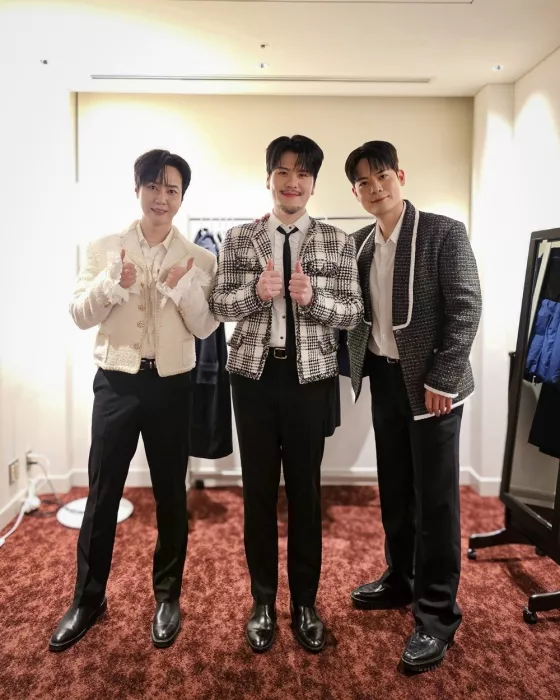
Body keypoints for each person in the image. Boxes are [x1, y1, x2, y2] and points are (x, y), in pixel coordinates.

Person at [49, 149, 218, 651]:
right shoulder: (105, 248)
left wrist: (183, 289)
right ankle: (88, 599)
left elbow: (205, 326)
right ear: (138, 189)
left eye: (171, 189)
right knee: (103, 494)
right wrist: (111, 284)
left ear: (182, 197)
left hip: (173, 386)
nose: (161, 197)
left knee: (170, 494)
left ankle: (167, 597)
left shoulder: (201, 258)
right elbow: (79, 314)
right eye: (153, 186)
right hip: (117, 384)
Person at [210, 135, 363, 653]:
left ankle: (304, 603)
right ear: (269, 178)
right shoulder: (239, 238)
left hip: (309, 381)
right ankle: (262, 602)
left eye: (302, 173)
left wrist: (313, 298)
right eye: (283, 171)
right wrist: (255, 293)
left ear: (313, 183)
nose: (292, 182)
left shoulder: (337, 241)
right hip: (253, 379)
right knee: (256, 492)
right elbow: (219, 305)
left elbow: (352, 313)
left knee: (305, 493)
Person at [344, 140, 482, 673]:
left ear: (399, 176)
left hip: (433, 387)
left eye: (382, 176)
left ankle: (437, 614)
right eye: (364, 182)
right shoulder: (360, 244)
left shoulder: (444, 232)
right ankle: (401, 579)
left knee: (436, 500)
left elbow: (466, 307)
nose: (375, 187)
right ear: (355, 193)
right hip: (385, 378)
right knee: (396, 488)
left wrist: (444, 377)